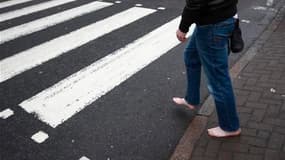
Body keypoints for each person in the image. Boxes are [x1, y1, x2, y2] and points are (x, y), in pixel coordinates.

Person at [173, 0, 241, 137]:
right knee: (191, 56)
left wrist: (183, 27)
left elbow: (195, 2)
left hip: (212, 24)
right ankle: (191, 99)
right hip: (214, 18)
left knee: (218, 79)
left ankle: (230, 126)